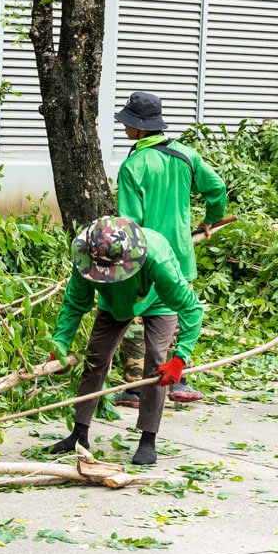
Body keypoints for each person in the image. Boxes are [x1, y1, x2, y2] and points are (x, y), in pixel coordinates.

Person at [46, 216, 204, 465]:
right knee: (95, 356)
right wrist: (60, 344)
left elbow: (192, 309)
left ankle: (147, 440)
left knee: (155, 361)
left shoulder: (156, 259)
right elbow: (75, 303)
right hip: (114, 302)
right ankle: (79, 433)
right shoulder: (85, 256)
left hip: (158, 300)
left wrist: (180, 358)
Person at [112, 91, 227, 408]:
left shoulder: (134, 165)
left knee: (136, 318)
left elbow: (131, 222)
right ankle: (178, 381)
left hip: (146, 259)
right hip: (180, 254)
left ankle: (136, 390)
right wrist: (211, 219)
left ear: (139, 126)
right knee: (175, 315)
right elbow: (216, 188)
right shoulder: (188, 155)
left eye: (126, 123)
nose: (123, 129)